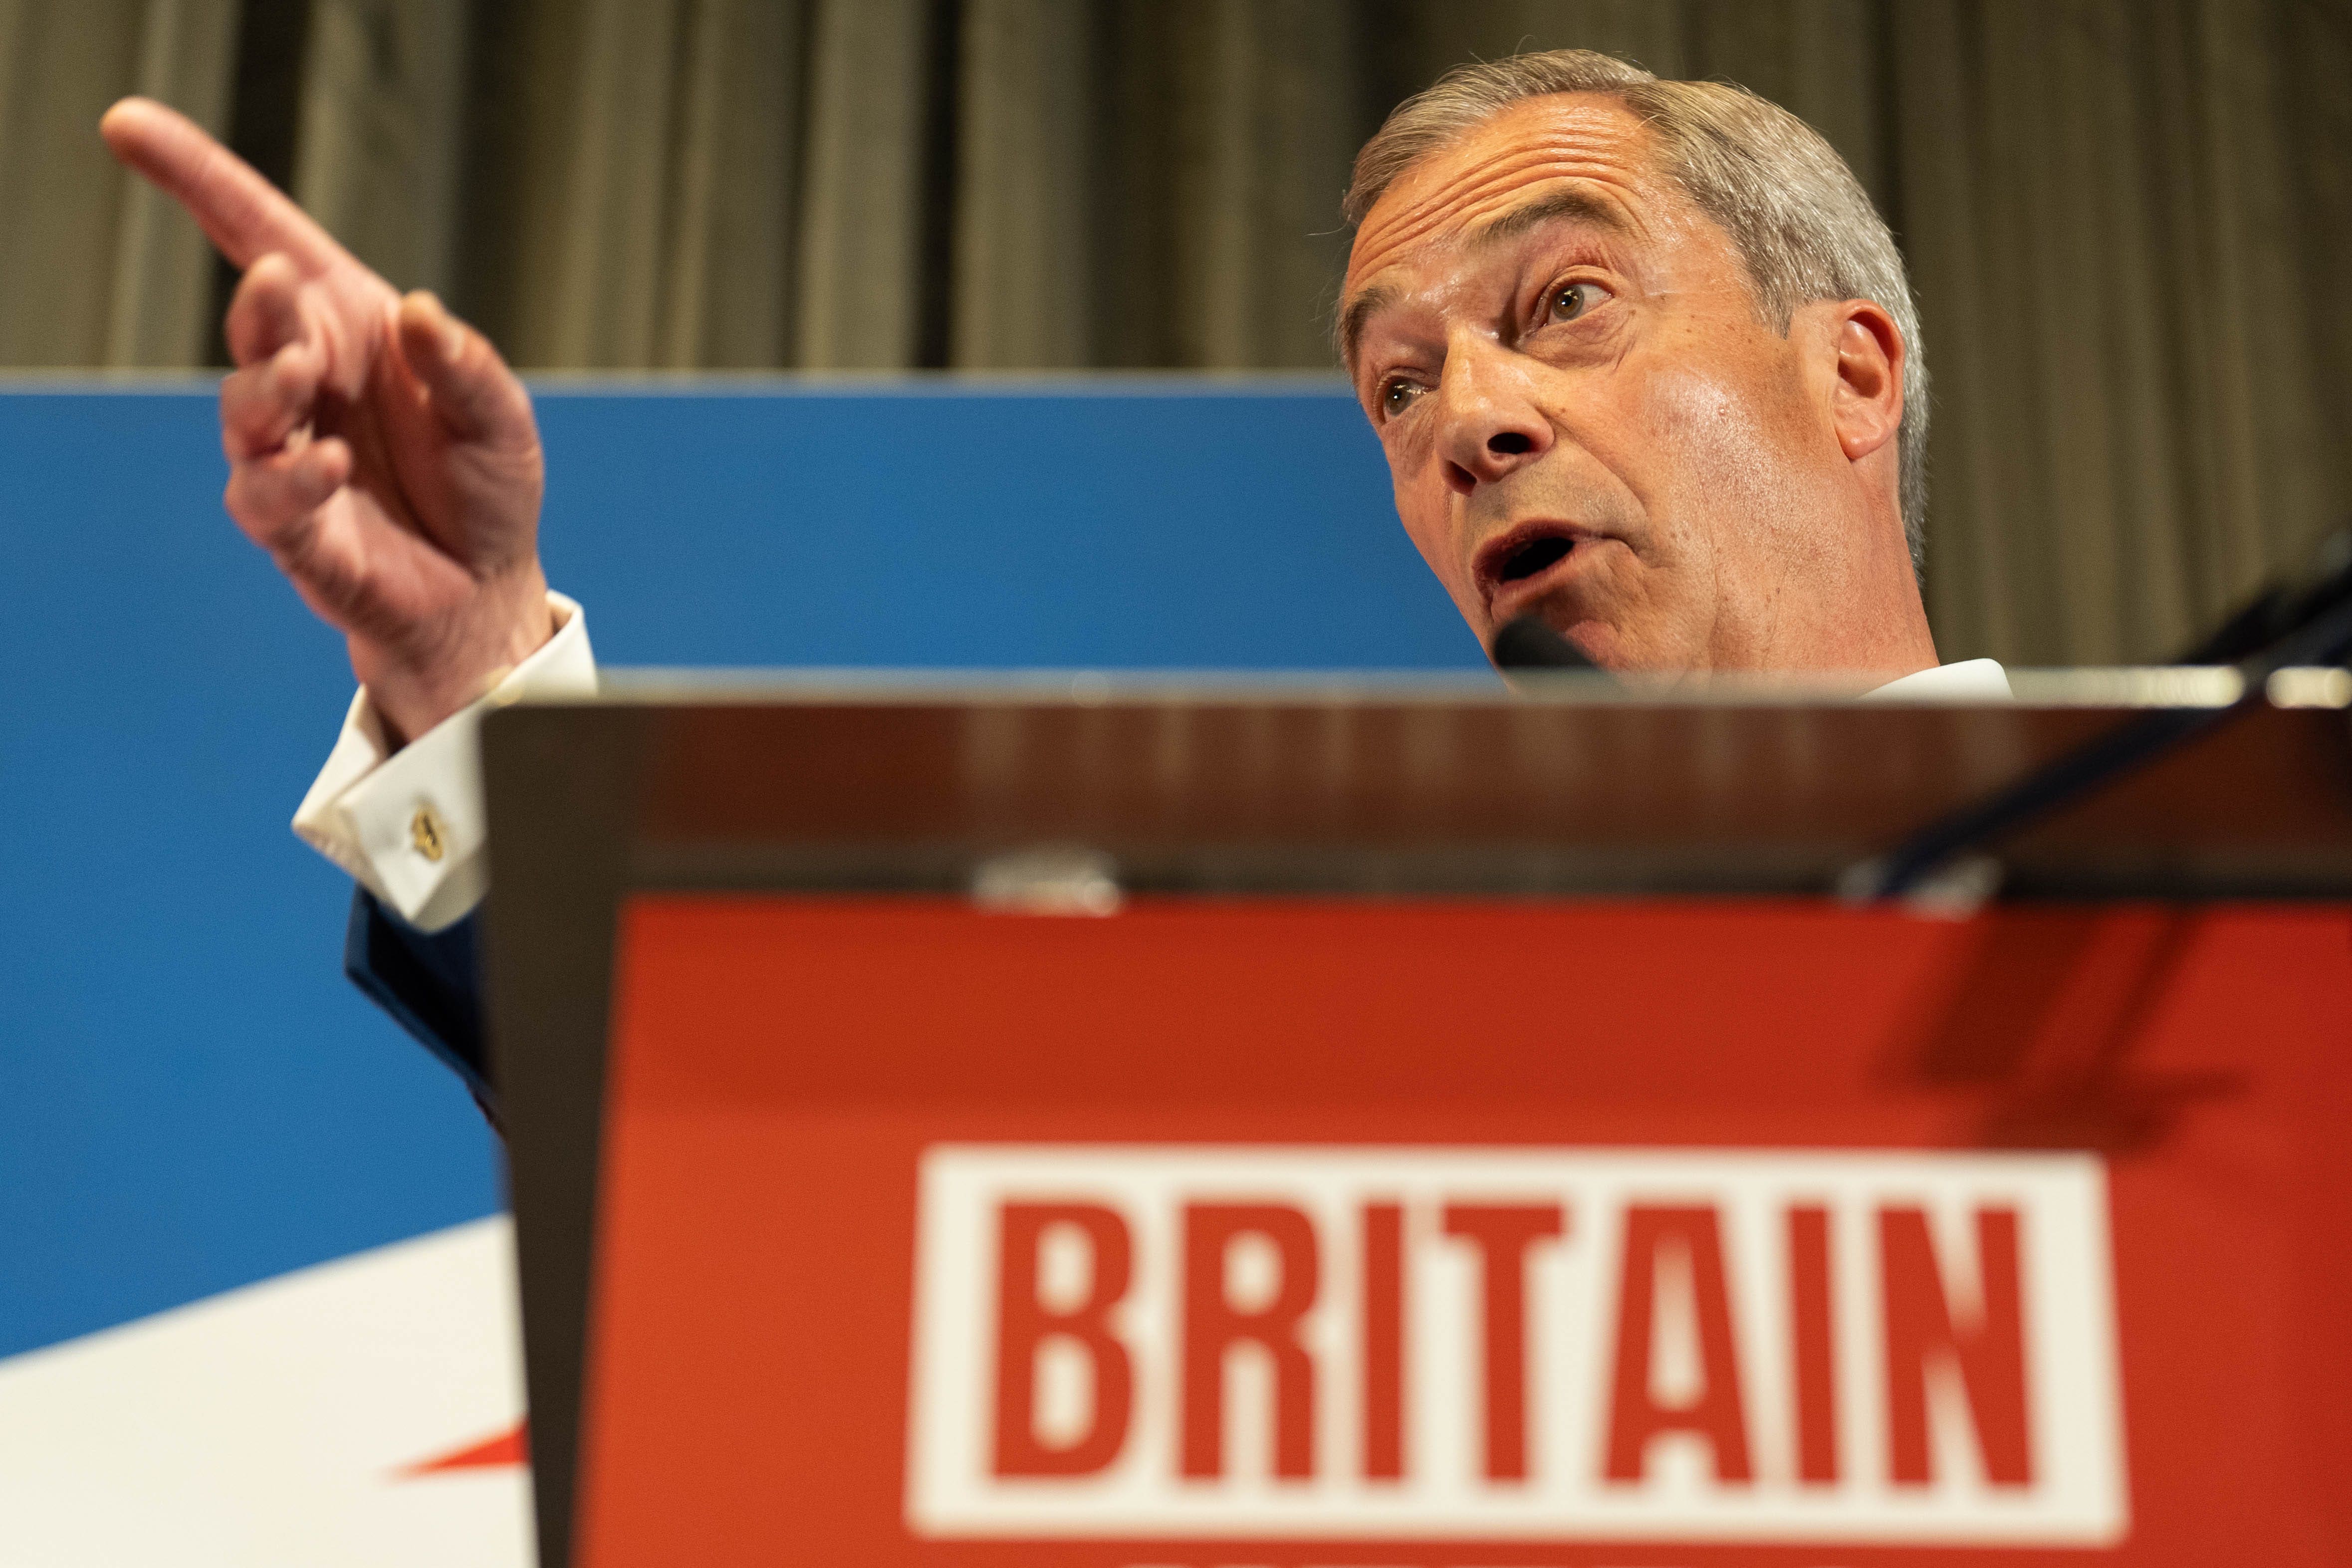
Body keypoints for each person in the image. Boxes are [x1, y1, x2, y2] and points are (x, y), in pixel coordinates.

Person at [98, 48, 2007, 1112]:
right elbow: (757, 1160)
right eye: (1399, 387)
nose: (1467, 421)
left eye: (1564, 304)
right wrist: (472, 663)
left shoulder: (2262, 925)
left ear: (1851, 370)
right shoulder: (1319, 1035)